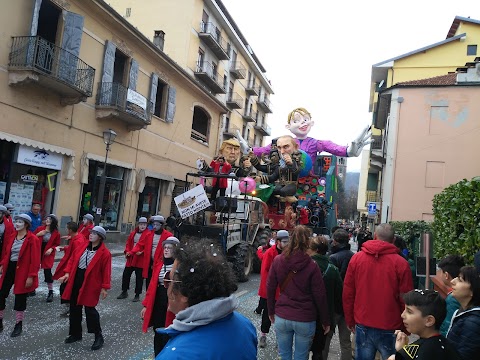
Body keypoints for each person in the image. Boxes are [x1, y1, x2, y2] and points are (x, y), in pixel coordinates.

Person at [155, 239, 257, 359]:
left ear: (184, 294)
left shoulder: (175, 355)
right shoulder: (245, 325)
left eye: (169, 280)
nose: (166, 287)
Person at [343, 223, 414, 360]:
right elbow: (405, 298)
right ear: (393, 240)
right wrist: (406, 327)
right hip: (391, 325)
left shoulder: (357, 259)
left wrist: (350, 320)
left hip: (363, 322)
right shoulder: (401, 264)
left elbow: (348, 293)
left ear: (375, 236)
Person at [267, 225, 330, 360]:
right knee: (301, 356)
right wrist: (325, 320)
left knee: (284, 355)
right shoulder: (312, 265)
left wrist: (271, 311)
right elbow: (320, 295)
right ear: (307, 242)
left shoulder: (278, 260)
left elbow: (270, 287)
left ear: (290, 239)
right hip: (305, 317)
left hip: (283, 314)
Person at [237, 107, 371, 167]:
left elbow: (334, 148)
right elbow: (265, 150)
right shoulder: (283, 141)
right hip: (284, 176)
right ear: (288, 126)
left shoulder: (316, 143)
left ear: (311, 122)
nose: (302, 123)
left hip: (307, 181)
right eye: (296, 121)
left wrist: (349, 151)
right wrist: (249, 150)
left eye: (305, 119)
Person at [58, 226, 111, 351]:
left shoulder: (105, 253)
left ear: (100, 237)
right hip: (77, 279)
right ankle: (76, 333)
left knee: (90, 310)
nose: (91, 235)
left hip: (92, 282)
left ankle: (98, 336)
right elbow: (72, 260)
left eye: (94, 233)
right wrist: (67, 273)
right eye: (91, 233)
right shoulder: (82, 246)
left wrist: (104, 287)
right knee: (74, 307)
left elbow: (106, 271)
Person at [386, 289, 460, 360]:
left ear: (429, 321)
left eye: (409, 312)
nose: (402, 315)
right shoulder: (442, 344)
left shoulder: (430, 352)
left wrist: (401, 353)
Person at [0, 214, 40, 337]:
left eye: (20, 222)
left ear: (26, 225)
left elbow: (35, 259)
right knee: (1, 293)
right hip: (10, 268)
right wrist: (2, 264)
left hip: (23, 270)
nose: (16, 224)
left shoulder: (32, 239)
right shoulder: (12, 236)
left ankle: (18, 324)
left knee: (20, 297)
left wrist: (31, 275)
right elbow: (7, 252)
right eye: (16, 221)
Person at [141, 236, 180, 356]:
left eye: (170, 248)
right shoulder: (159, 265)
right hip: (158, 300)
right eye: (165, 247)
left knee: (170, 331)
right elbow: (152, 286)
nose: (166, 250)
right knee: (158, 330)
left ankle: (168, 355)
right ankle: (158, 354)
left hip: (172, 302)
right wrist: (146, 306)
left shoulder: (179, 267)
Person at [308, 235, 343, 360]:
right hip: (326, 316)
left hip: (306, 314)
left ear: (315, 250)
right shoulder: (332, 269)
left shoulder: (305, 266)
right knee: (320, 350)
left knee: (302, 349)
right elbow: (339, 294)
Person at [256, 229, 288, 348]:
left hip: (283, 289)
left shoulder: (288, 253)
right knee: (267, 314)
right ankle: (263, 335)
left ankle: (279, 339)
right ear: (278, 241)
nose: (286, 244)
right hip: (271, 289)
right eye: (284, 242)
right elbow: (265, 272)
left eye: (287, 241)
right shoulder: (270, 252)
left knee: (281, 315)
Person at [254, 135, 303, 205]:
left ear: (295, 147)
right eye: (279, 148)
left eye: (286, 147)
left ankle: (286, 205)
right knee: (270, 190)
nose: (282, 151)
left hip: (291, 185)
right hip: (279, 184)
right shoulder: (279, 164)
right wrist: (260, 178)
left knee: (282, 191)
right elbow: (273, 176)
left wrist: (291, 164)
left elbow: (297, 171)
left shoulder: (296, 161)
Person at [53, 221, 87, 317]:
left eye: (67, 228)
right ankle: (70, 307)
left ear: (70, 230)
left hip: (73, 269)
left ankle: (70, 308)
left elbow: (75, 257)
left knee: (67, 288)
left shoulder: (77, 241)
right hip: (71, 268)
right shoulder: (77, 237)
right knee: (66, 288)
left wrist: (68, 271)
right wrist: (64, 248)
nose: (66, 230)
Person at [446, 265, 480, 360]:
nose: (452, 281)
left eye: (460, 280)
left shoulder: (473, 323)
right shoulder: (463, 312)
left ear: (473, 290)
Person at [131, 215, 172, 289]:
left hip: (160, 263)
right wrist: (132, 251)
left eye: (157, 224)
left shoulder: (168, 235)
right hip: (149, 263)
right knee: (148, 283)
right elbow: (140, 244)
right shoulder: (149, 234)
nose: (155, 226)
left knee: (157, 284)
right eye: (154, 224)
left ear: (162, 225)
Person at [117, 217, 150, 302]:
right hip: (131, 257)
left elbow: (148, 246)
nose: (142, 226)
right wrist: (127, 251)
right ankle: (124, 291)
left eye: (144, 224)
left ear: (146, 225)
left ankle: (137, 294)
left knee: (139, 277)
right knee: (126, 275)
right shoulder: (133, 233)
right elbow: (128, 243)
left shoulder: (148, 234)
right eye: (141, 224)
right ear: (138, 224)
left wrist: (142, 252)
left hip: (140, 259)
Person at [34, 214, 61, 303]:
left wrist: (51, 248)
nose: (47, 220)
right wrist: (38, 234)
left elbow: (57, 244)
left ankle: (50, 291)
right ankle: (31, 288)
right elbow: (31, 238)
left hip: (48, 253)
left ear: (53, 221)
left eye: (50, 219)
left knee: (47, 271)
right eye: (47, 219)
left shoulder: (56, 233)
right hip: (38, 250)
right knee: (34, 269)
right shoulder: (40, 229)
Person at [436, 255, 465, 336]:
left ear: (446, 275)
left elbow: (448, 325)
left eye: (440, 272)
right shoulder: (463, 293)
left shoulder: (453, 298)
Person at [254, 230, 277, 315]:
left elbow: (263, 258)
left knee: (265, 295)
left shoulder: (270, 252)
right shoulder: (278, 250)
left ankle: (260, 309)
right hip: (273, 276)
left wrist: (259, 250)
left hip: (268, 275)